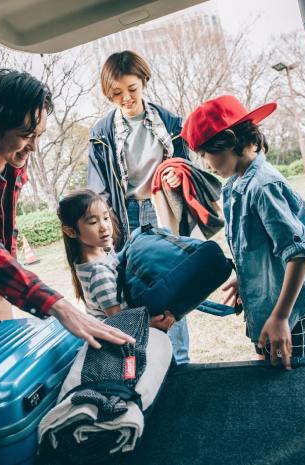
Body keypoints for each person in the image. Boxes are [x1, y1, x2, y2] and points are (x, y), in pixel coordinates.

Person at [0, 68, 133, 349]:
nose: (34, 147)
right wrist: (56, 304)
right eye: (26, 135)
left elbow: (1, 237)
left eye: (39, 134)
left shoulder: (13, 161)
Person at [182, 95, 305, 370]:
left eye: (204, 154)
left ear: (229, 141)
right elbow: (255, 246)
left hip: (285, 312)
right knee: (267, 370)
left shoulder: (263, 187)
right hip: (264, 299)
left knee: (288, 379)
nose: (206, 164)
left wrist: (281, 317)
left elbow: (299, 254)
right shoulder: (236, 185)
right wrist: (245, 278)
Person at [87, 50, 191, 363]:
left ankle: (181, 360)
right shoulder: (101, 133)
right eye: (116, 93)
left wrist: (177, 171)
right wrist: (106, 226)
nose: (125, 98)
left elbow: (187, 166)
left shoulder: (170, 122)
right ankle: (151, 360)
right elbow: (98, 188)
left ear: (143, 82)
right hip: (125, 213)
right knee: (134, 289)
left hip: (162, 209)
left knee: (173, 284)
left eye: (131, 89)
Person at [57, 189, 175, 331]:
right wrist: (152, 325)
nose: (104, 227)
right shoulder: (99, 272)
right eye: (93, 222)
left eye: (106, 218)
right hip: (127, 343)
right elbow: (120, 324)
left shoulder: (95, 256)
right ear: (71, 231)